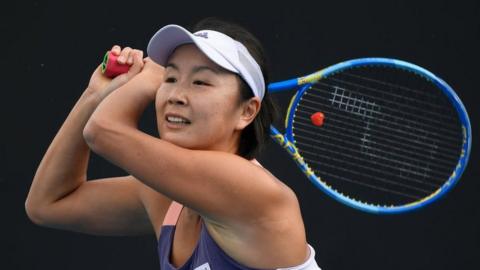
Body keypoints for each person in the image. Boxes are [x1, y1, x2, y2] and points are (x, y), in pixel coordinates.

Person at [25, 17, 321, 269]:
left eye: (200, 82)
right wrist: (94, 95)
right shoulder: (164, 197)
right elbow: (48, 204)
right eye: (171, 79)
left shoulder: (252, 190)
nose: (175, 95)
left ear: (247, 111)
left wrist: (147, 77)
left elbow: (102, 132)